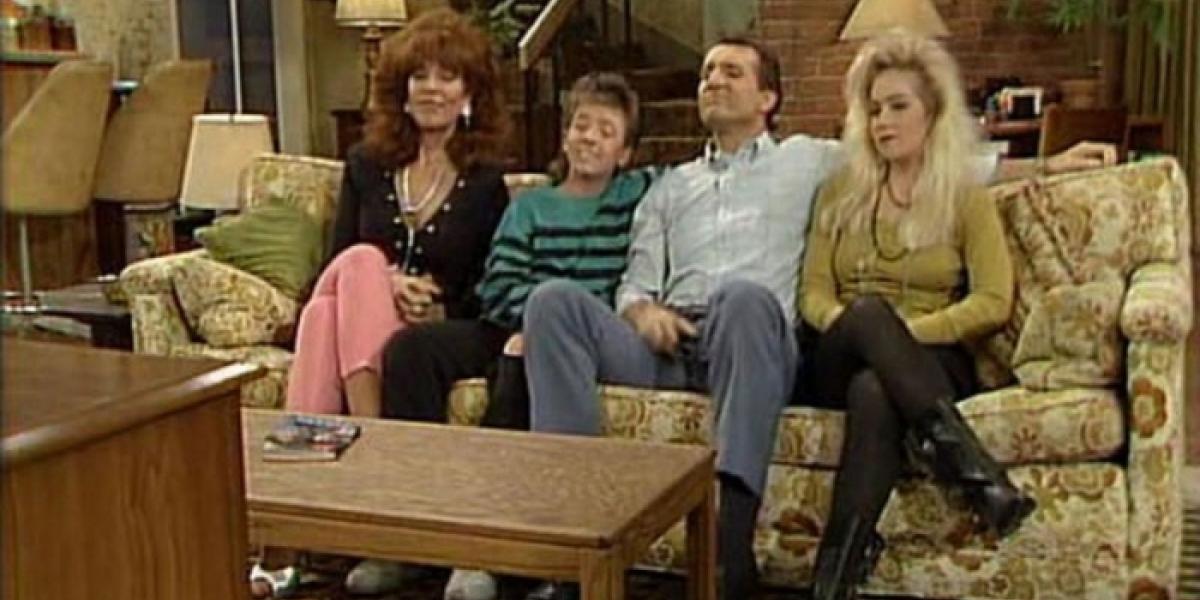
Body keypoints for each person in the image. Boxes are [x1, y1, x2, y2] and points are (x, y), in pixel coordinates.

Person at [519, 35, 1116, 600]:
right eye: (706, 72)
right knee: (551, 302)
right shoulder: (669, 187)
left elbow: (932, 158)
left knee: (745, 299)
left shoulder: (807, 161)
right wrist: (641, 309)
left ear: (767, 98)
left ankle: (728, 548)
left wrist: (1046, 165)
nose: (712, 81)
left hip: (755, 341)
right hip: (669, 345)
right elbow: (636, 281)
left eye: (731, 72)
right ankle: (567, 549)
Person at [263, 9, 511, 598]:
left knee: (326, 311)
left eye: (447, 77)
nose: (431, 88)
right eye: (419, 76)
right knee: (356, 271)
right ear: (401, 90)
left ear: (469, 94)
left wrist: (439, 308)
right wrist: (386, 281)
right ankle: (374, 454)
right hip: (359, 307)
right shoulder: (365, 165)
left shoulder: (486, 182)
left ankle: (287, 530)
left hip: (436, 328)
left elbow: (489, 282)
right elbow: (339, 259)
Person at [379, 72, 655, 600]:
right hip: (510, 323)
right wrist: (531, 321)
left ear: (624, 153)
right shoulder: (530, 205)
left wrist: (552, 328)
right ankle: (407, 538)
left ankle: (488, 555)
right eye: (581, 125)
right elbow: (499, 284)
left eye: (606, 131)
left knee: (523, 362)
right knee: (412, 349)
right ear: (565, 136)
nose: (590, 138)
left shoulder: (637, 196)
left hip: (579, 340)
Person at [796, 31, 1040, 600]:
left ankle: (833, 579)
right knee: (867, 317)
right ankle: (976, 476)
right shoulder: (839, 192)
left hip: (931, 361)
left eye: (898, 106)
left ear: (932, 113)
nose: (882, 121)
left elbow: (993, 300)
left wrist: (902, 337)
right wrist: (861, 328)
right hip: (838, 350)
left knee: (875, 389)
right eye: (873, 109)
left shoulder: (964, 196)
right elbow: (813, 293)